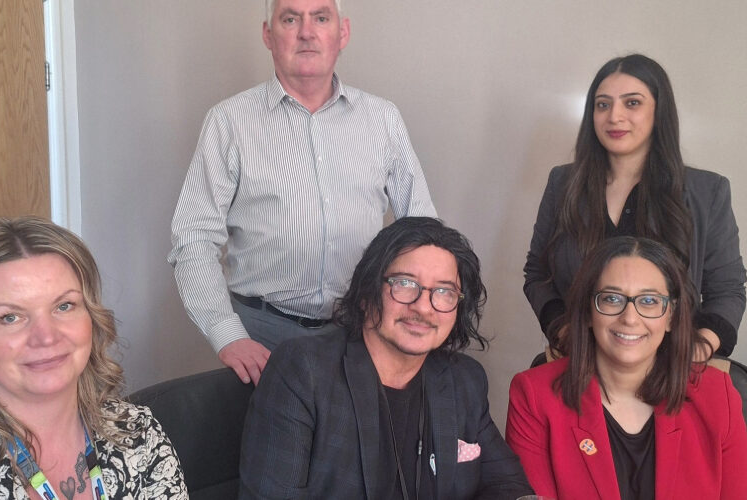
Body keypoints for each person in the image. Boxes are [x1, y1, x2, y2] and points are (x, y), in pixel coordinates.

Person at [168, 0, 436, 386]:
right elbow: (192, 238)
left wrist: (411, 319)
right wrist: (227, 333)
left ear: (342, 33)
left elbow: (423, 233)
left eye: (321, 18)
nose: (306, 32)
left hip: (362, 333)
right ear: (268, 34)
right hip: (263, 337)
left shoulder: (383, 120)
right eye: (290, 18)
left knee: (354, 447)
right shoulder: (229, 122)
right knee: (270, 447)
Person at [239, 217, 533, 499]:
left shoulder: (464, 379)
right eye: (405, 283)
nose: (424, 307)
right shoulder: (303, 371)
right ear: (368, 293)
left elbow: (507, 484)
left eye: (444, 291)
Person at [0, 217, 188, 499]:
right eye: (10, 317)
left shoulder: (137, 432)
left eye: (64, 306)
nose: (46, 337)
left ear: (93, 317)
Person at [523, 53, 745, 360]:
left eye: (632, 103)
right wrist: (563, 332)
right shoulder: (563, 183)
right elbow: (537, 273)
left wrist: (697, 349)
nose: (614, 116)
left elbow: (728, 290)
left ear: (659, 111)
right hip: (578, 363)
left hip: (673, 369)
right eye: (603, 104)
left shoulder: (707, 191)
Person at [507, 236, 747, 499]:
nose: (630, 319)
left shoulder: (717, 394)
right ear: (588, 311)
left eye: (649, 301)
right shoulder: (533, 396)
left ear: (670, 316)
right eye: (612, 298)